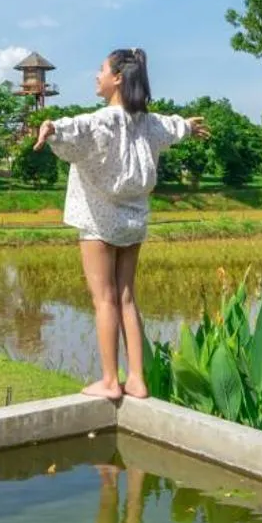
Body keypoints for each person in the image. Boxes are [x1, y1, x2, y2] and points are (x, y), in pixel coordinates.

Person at [33, 49, 207, 400]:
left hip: (99, 220)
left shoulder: (106, 119)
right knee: (127, 298)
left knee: (105, 300)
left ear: (117, 78)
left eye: (100, 70)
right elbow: (173, 126)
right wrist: (188, 126)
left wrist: (52, 128)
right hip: (133, 220)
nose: (96, 76)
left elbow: (77, 127)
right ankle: (138, 380)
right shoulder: (148, 122)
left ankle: (111, 381)